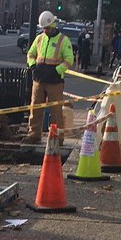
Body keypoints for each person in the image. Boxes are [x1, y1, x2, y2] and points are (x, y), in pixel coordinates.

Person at [24, 9, 74, 142]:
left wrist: (56, 71)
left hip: (55, 81)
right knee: (35, 107)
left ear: (53, 25)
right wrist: (32, 65)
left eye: (47, 28)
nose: (45, 30)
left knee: (56, 111)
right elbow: (30, 54)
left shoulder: (63, 40)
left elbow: (69, 60)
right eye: (44, 28)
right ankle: (34, 133)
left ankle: (57, 137)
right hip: (39, 80)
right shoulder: (39, 39)